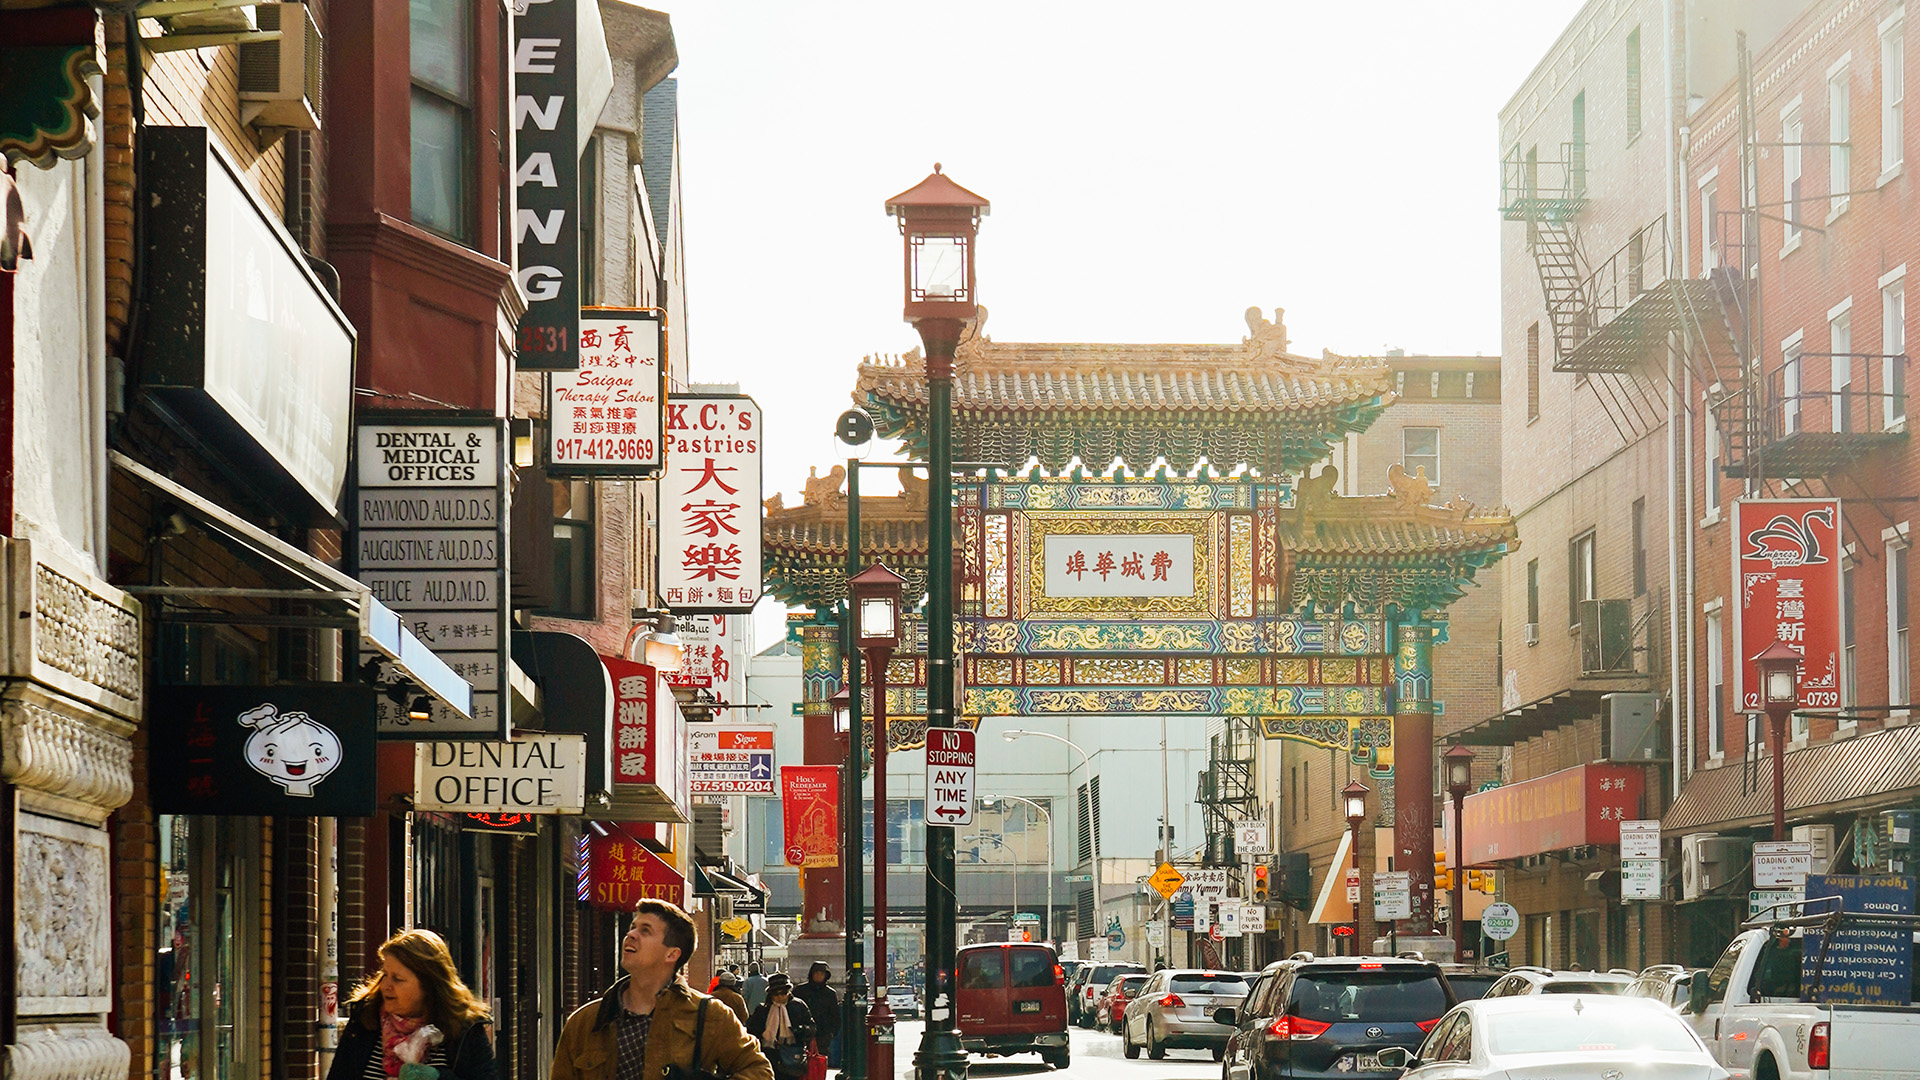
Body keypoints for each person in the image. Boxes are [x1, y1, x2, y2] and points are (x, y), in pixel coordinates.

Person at [549, 899, 772, 1080]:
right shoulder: (586, 1022)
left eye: (645, 931)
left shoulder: (710, 1015)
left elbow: (759, 1071)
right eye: (632, 927)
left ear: (672, 954)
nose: (631, 935)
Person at [325, 929, 496, 1080]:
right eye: (385, 974)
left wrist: (437, 1078)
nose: (385, 985)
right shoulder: (364, 1021)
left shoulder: (463, 1029)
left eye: (398, 979)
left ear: (429, 985)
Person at [746, 973, 814, 1080]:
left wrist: (800, 1030)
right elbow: (752, 1030)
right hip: (769, 1055)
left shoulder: (798, 1006)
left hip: (792, 1055)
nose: (780, 997)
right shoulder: (763, 1009)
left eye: (783, 993)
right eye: (776, 994)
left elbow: (811, 1027)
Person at [791, 963, 840, 1067]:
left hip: (823, 1034)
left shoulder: (830, 993)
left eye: (821, 974)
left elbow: (835, 1015)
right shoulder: (800, 990)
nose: (819, 976)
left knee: (819, 1063)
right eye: (816, 973)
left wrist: (831, 1033)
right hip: (802, 1033)